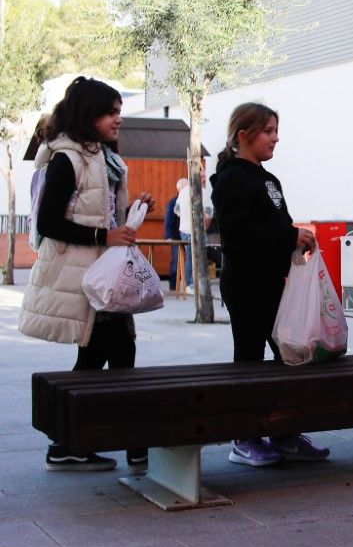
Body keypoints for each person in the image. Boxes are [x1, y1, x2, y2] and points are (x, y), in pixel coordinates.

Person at [19, 76, 156, 472]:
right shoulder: (68, 159)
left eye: (119, 113)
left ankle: (72, 445)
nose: (118, 120)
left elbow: (107, 218)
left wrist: (134, 213)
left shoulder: (105, 159)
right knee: (112, 356)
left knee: (98, 358)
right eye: (111, 113)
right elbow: (49, 223)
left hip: (104, 276)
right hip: (85, 276)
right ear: (88, 114)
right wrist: (104, 234)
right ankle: (129, 445)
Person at [209, 103, 330, 467]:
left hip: (275, 282)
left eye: (276, 130)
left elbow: (279, 224)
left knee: (287, 357)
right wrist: (288, 237)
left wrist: (293, 239)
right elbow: (237, 236)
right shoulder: (231, 179)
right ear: (244, 136)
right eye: (268, 131)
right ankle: (244, 437)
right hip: (246, 284)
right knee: (249, 358)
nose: (276, 138)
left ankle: (285, 432)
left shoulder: (268, 179)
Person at [175, 172, 212, 292]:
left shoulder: (183, 191)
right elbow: (208, 214)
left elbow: (177, 210)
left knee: (189, 257)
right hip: (198, 230)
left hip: (184, 230)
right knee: (200, 257)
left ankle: (188, 285)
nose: (204, 179)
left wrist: (185, 217)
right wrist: (205, 227)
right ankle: (197, 284)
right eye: (203, 177)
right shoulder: (203, 191)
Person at [164, 179, 186, 291]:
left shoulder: (189, 200)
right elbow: (168, 221)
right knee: (176, 263)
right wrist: (169, 237)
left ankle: (187, 286)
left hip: (186, 236)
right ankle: (173, 288)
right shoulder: (174, 203)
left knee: (187, 262)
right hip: (177, 237)